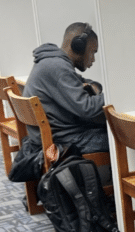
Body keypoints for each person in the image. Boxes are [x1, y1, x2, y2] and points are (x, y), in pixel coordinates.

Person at [22, 22, 108, 154]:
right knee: (119, 136)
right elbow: (87, 108)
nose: (93, 59)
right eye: (92, 52)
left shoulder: (51, 61)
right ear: (78, 47)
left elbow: (81, 81)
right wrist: (113, 94)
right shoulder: (58, 67)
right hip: (63, 141)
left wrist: (95, 85)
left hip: (52, 136)